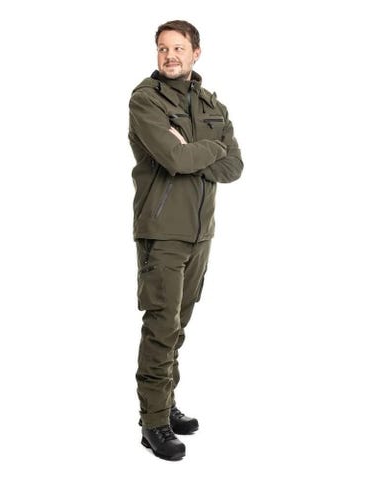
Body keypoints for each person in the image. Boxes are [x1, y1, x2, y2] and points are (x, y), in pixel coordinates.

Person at [128, 19, 243, 461]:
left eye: (178, 48)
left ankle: (166, 404)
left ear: (196, 53)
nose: (170, 55)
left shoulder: (213, 104)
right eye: (163, 48)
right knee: (161, 325)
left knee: (178, 326)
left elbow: (234, 167)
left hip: (200, 233)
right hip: (162, 232)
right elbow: (175, 158)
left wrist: (198, 151)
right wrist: (211, 147)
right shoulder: (145, 99)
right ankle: (153, 422)